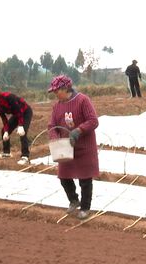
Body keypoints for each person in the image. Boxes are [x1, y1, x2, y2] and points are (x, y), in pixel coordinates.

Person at [47, 75, 99, 220]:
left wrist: (78, 130)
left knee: (85, 179)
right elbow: (52, 125)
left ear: (65, 88)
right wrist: (55, 138)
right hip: (65, 147)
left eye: (57, 91)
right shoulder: (57, 106)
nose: (56, 94)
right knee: (64, 177)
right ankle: (73, 200)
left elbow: (93, 121)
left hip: (84, 147)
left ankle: (85, 207)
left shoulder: (83, 100)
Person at [0, 85, 33, 165]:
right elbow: (4, 119)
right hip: (16, 114)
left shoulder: (8, 97)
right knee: (3, 130)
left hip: (25, 112)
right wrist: (6, 131)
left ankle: (25, 156)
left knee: (22, 132)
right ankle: (6, 152)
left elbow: (19, 111)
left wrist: (20, 125)